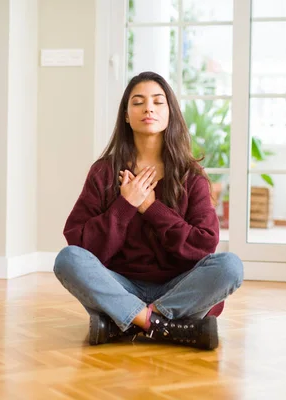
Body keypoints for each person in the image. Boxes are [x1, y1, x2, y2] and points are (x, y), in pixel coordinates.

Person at [53, 71, 243, 350]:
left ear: (170, 113)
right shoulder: (104, 172)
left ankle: (126, 321)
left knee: (230, 266)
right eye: (138, 102)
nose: (149, 108)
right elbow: (79, 243)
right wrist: (125, 205)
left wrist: (151, 207)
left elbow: (203, 244)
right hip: (121, 285)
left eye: (158, 101)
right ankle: (166, 327)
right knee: (67, 259)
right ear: (127, 115)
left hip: (178, 288)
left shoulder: (191, 175)